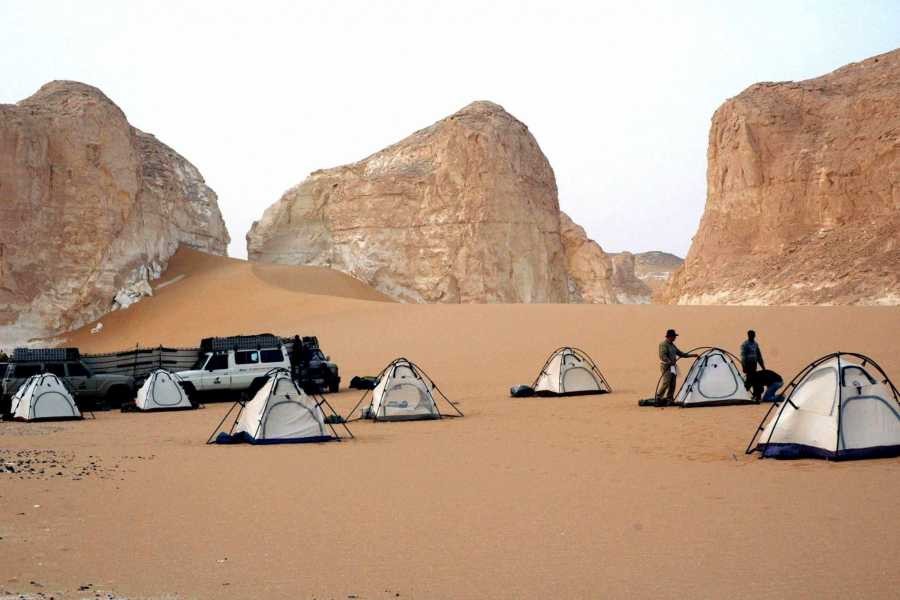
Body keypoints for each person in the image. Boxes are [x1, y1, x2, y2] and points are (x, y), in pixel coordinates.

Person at [656, 329, 698, 406]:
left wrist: (692, 355)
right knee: (666, 382)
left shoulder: (672, 345)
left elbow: (681, 354)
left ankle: (670, 399)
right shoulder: (663, 344)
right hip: (666, 366)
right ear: (669, 337)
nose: (675, 338)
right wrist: (669, 361)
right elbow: (662, 356)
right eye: (674, 336)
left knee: (673, 383)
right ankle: (658, 397)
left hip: (673, 367)